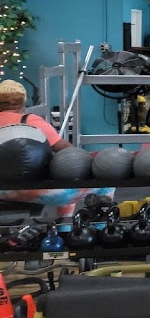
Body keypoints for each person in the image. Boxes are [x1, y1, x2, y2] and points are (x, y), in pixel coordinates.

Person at [0, 80, 112, 220]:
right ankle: (77, 227)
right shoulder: (30, 120)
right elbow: (68, 151)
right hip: (33, 192)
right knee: (102, 184)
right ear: (23, 102)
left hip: (3, 192)